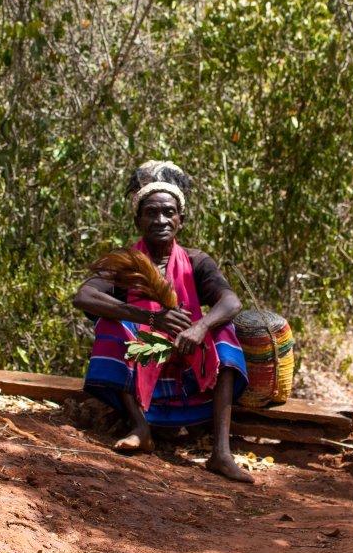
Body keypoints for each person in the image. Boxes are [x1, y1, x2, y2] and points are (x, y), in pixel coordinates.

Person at [73, 161, 253, 483]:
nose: (160, 220)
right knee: (111, 326)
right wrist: (150, 317)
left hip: (187, 353)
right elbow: (84, 297)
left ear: (180, 220)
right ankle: (141, 428)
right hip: (145, 352)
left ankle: (221, 453)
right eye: (151, 213)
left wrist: (199, 328)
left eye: (168, 212)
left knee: (225, 331)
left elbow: (231, 301)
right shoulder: (127, 262)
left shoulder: (197, 260)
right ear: (138, 220)